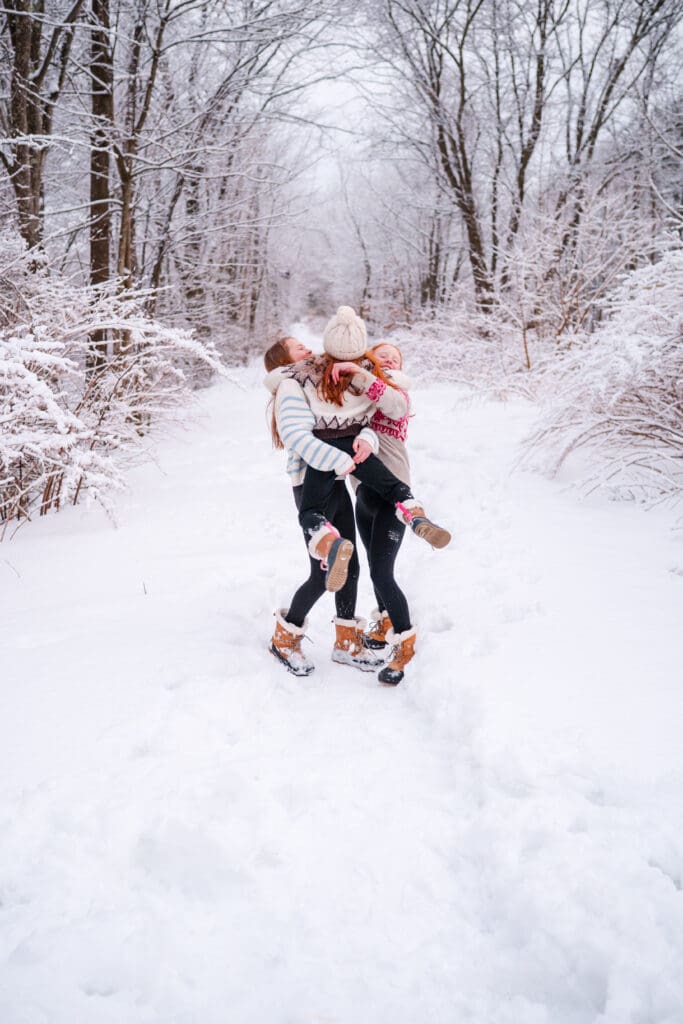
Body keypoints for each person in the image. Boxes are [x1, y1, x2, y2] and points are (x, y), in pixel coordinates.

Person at [263, 335, 382, 677]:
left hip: (336, 482)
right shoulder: (290, 385)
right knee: (323, 571)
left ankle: (347, 643)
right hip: (311, 485)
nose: (307, 348)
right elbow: (299, 436)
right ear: (283, 359)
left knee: (350, 563)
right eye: (297, 347)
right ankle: (285, 638)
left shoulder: (308, 379)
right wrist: (339, 458)